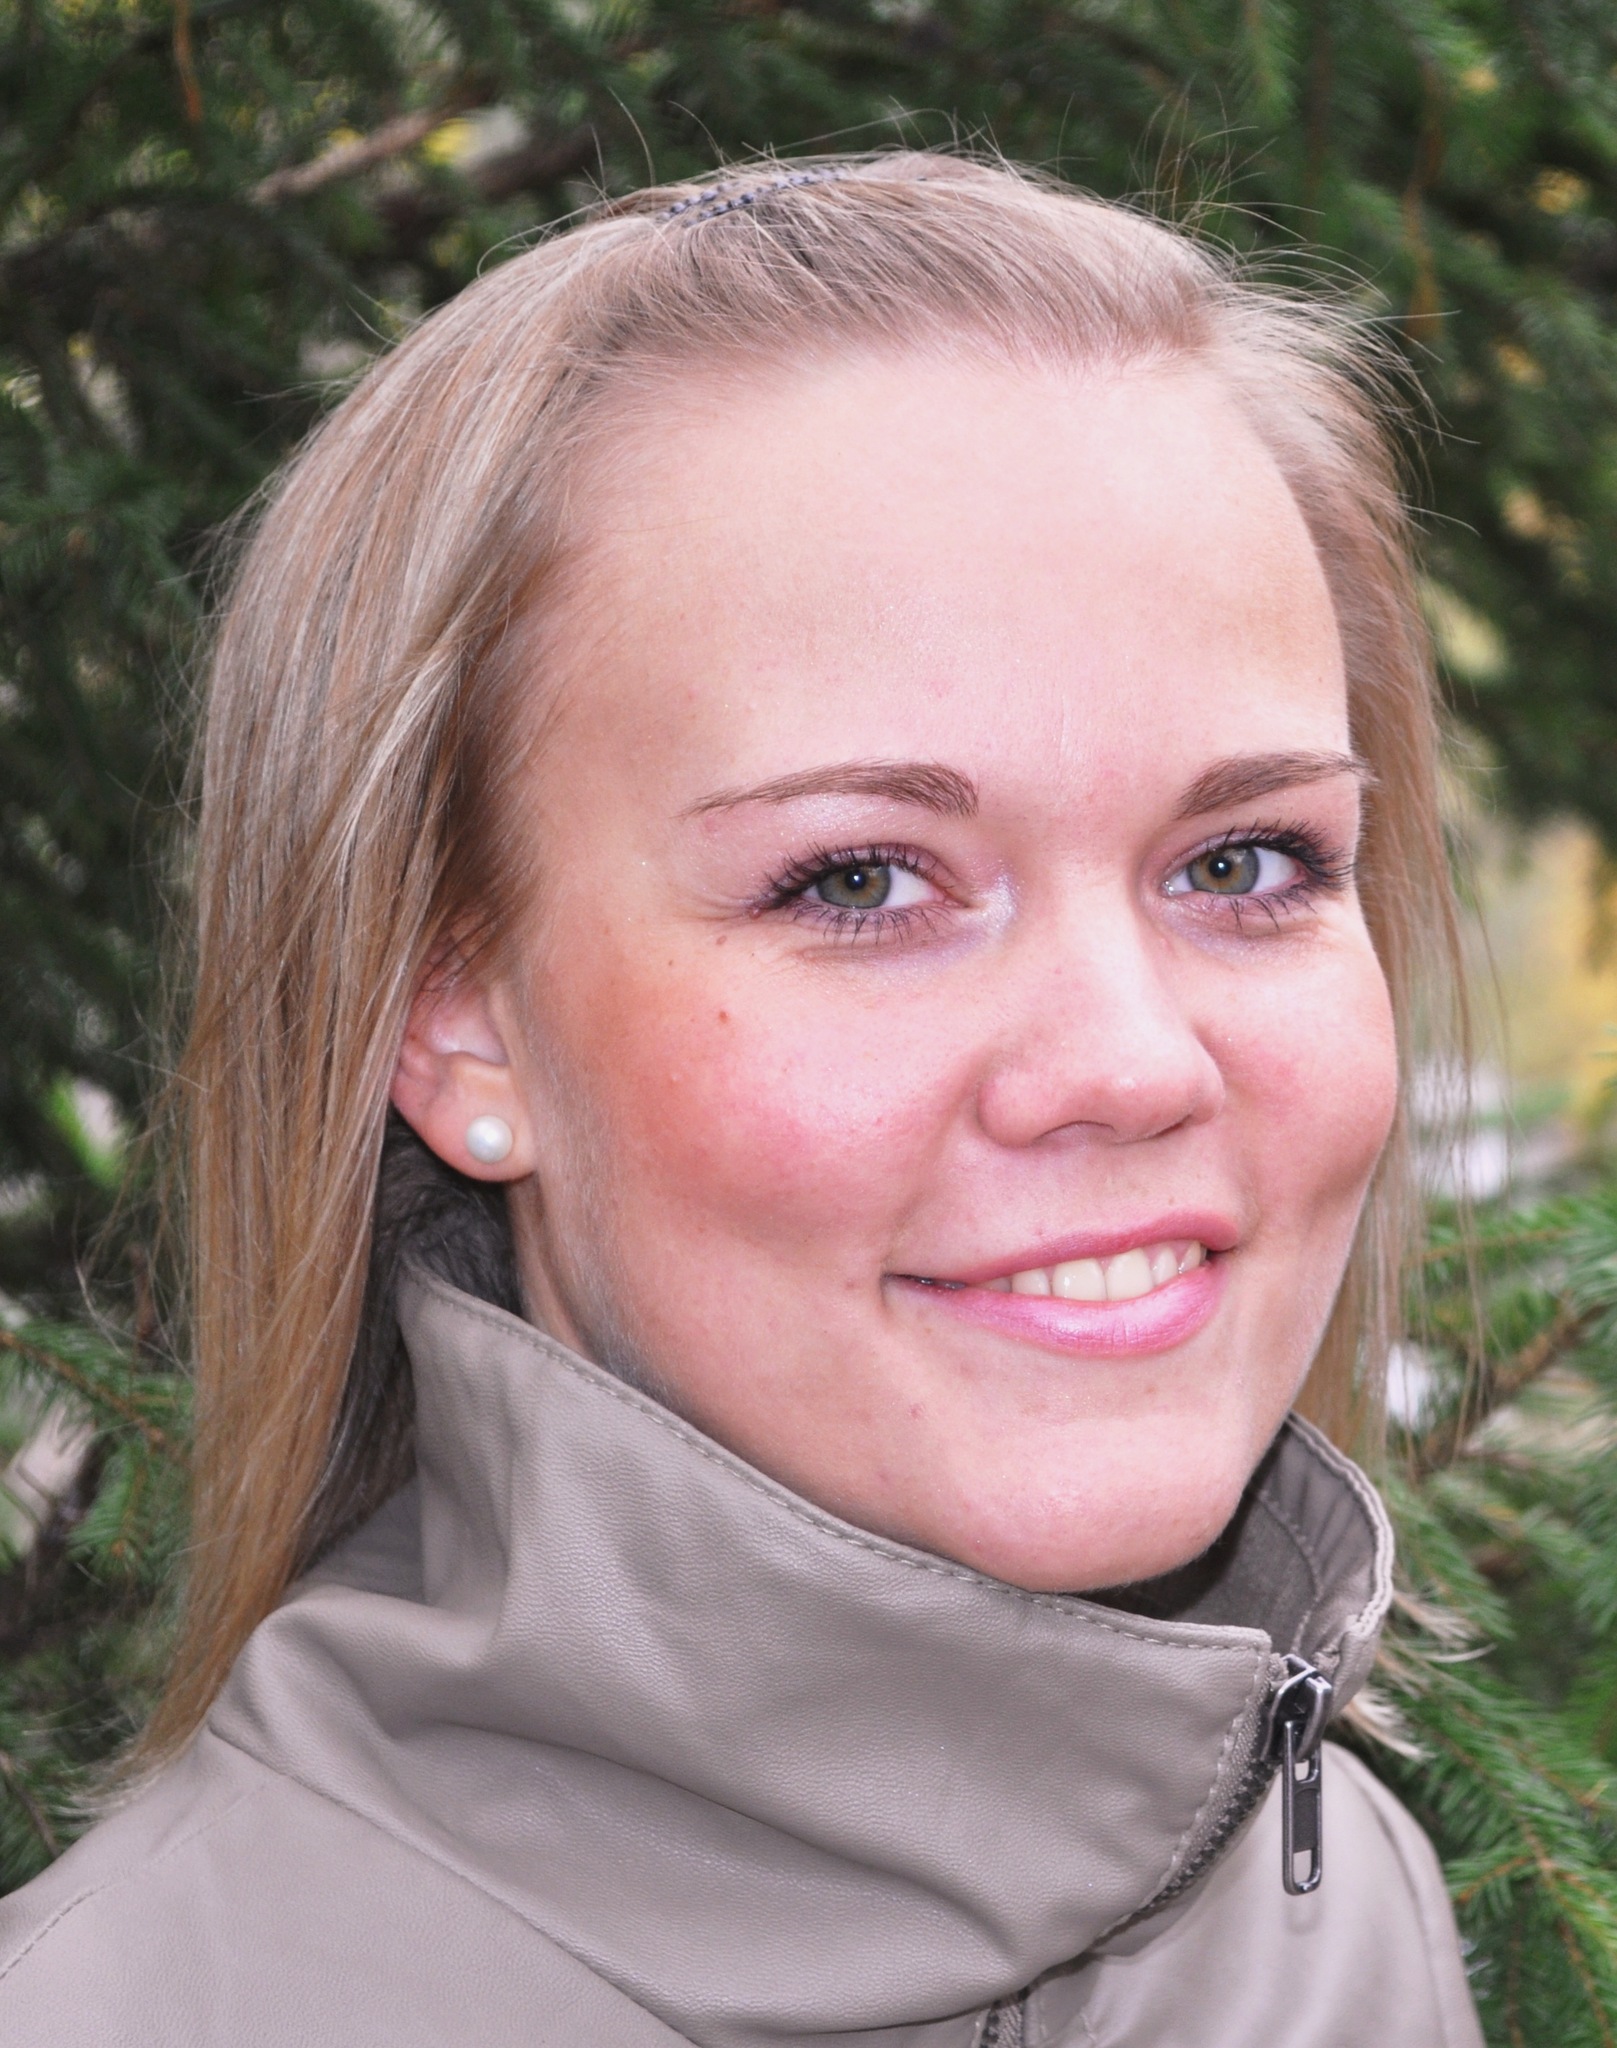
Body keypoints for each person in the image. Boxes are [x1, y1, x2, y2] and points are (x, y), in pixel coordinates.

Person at [0, 152, 1483, 2045]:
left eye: (1244, 862)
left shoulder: (1332, 1932)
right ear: (451, 1018)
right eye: (858, 880)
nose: (1127, 1062)